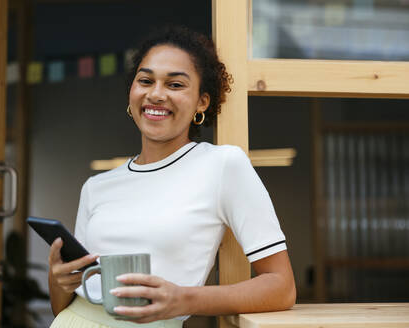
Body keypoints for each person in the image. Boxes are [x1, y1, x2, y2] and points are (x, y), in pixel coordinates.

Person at [48, 26, 296, 328]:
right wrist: (57, 280)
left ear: (202, 102)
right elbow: (66, 305)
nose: (156, 94)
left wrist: (184, 299)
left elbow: (281, 286)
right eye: (145, 80)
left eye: (175, 85)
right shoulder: (96, 187)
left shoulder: (222, 165)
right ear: (132, 91)